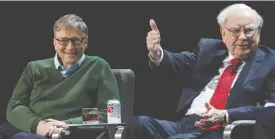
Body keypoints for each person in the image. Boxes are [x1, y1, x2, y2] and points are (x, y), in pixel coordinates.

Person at [122, 3, 275, 139]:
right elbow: (177, 62)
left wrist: (226, 115)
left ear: (258, 33)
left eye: (249, 31)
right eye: (235, 30)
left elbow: (271, 109)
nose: (243, 37)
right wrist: (157, 52)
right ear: (223, 33)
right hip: (187, 123)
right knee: (138, 125)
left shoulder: (270, 63)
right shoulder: (209, 50)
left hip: (224, 129)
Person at [0, 14, 119, 139]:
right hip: (33, 128)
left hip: (71, 133)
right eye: (63, 40)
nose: (70, 47)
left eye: (76, 40)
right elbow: (15, 107)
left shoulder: (98, 66)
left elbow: (106, 113)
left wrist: (69, 124)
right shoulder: (34, 68)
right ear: (54, 43)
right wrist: (37, 125)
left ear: (86, 42)